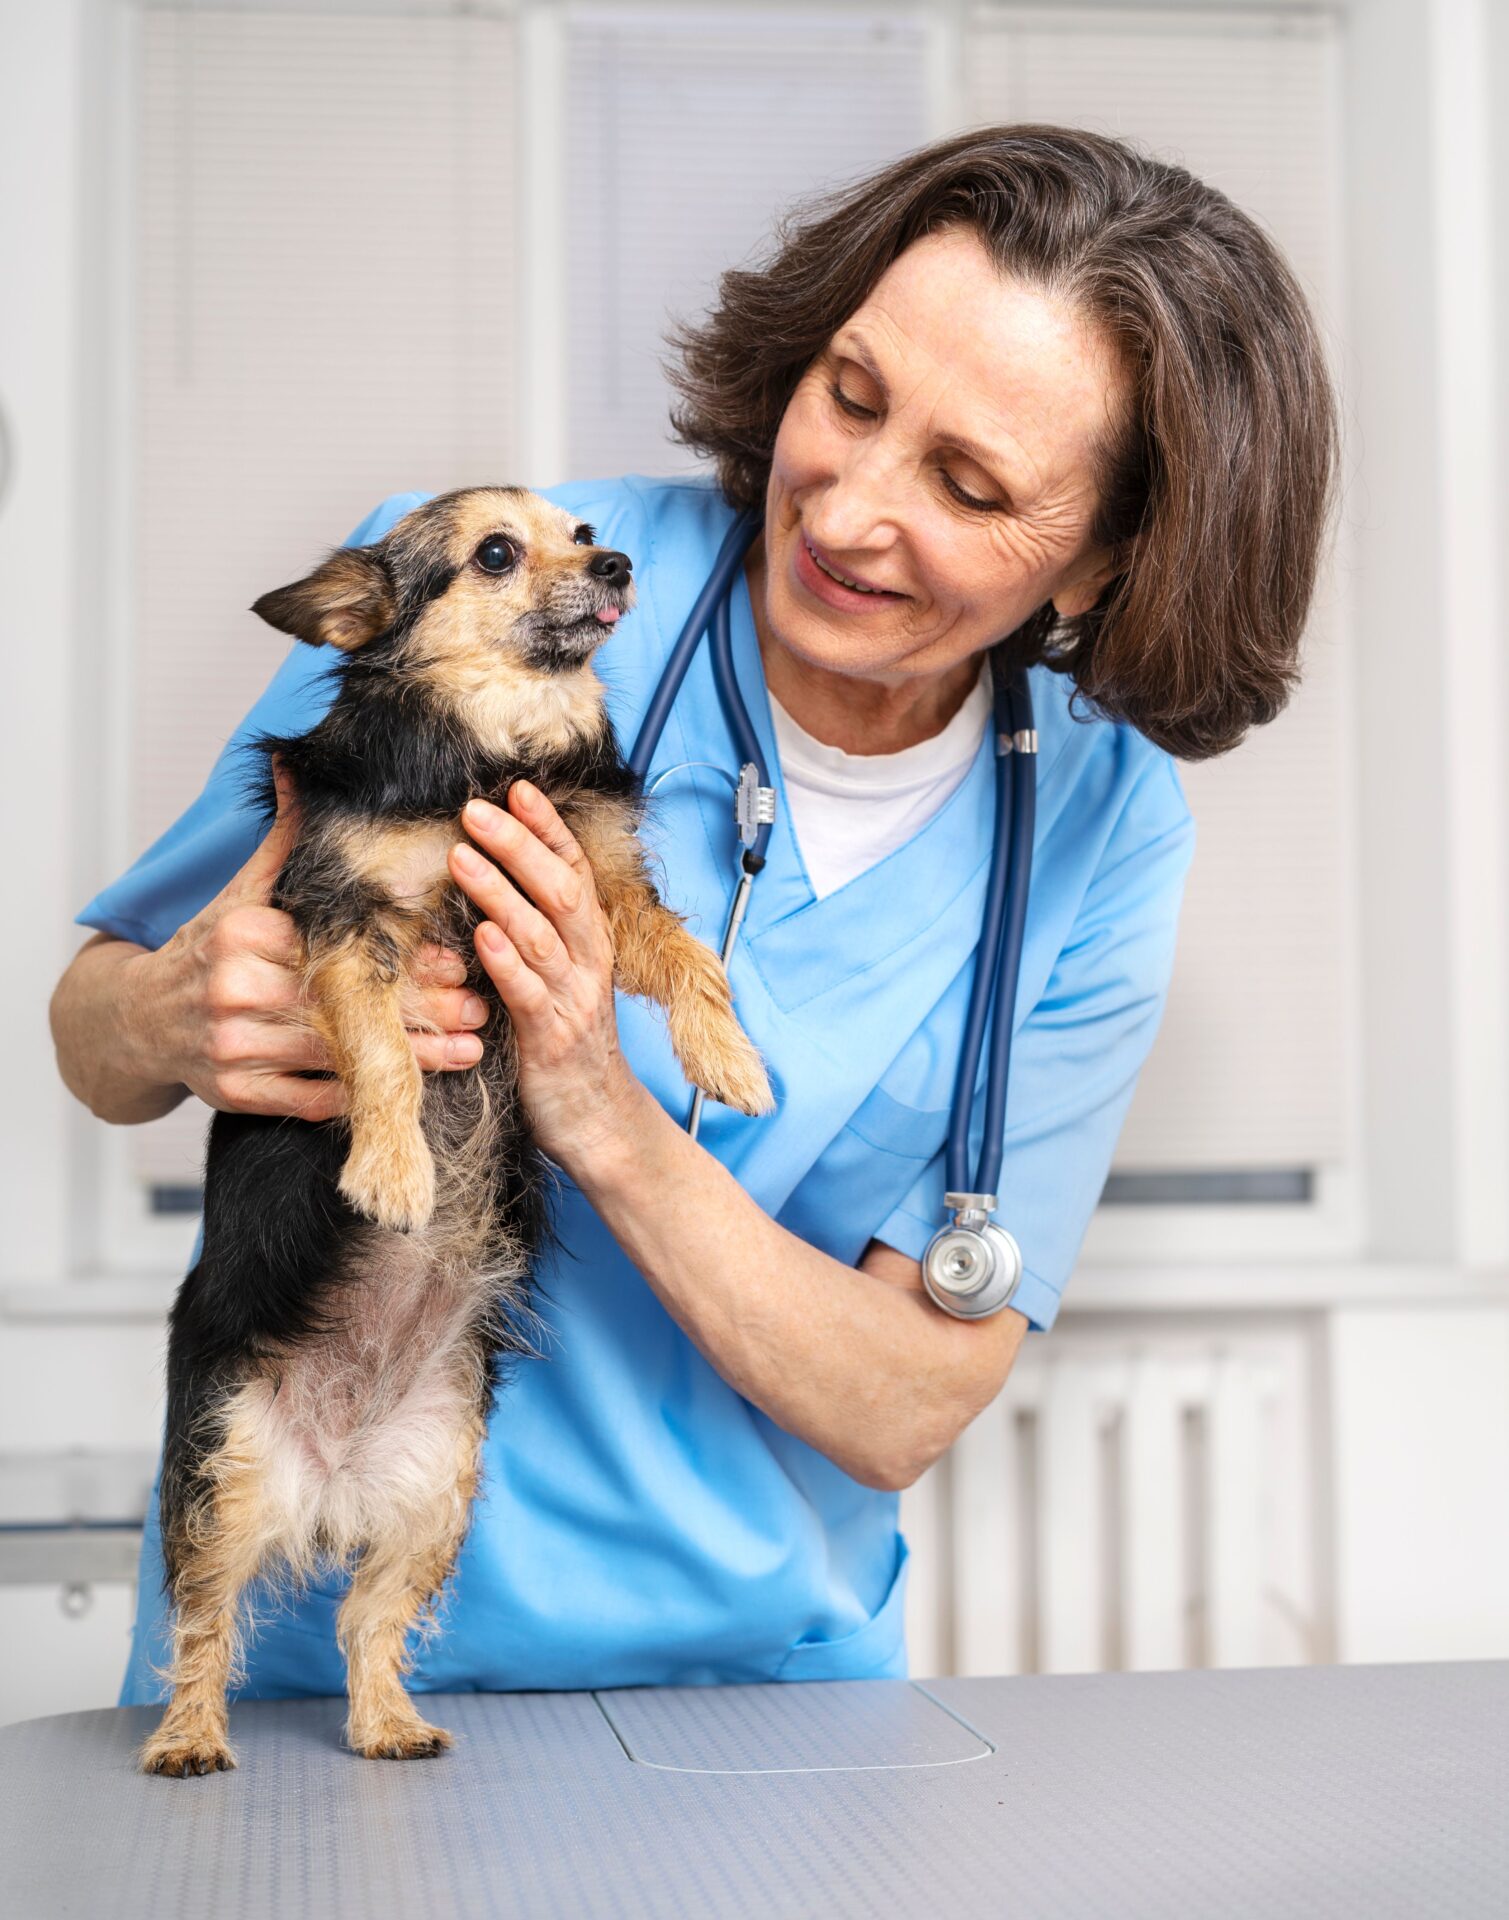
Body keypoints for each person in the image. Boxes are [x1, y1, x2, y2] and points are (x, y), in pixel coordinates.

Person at [50, 126, 1338, 1699]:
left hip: (760, 1696)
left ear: (1105, 559)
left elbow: (901, 1406)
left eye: (968, 484)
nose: (846, 509)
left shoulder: (1102, 829)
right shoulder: (479, 583)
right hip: (311, 1671)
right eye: (851, 398)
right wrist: (167, 1011)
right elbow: (97, 1039)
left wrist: (601, 1103)